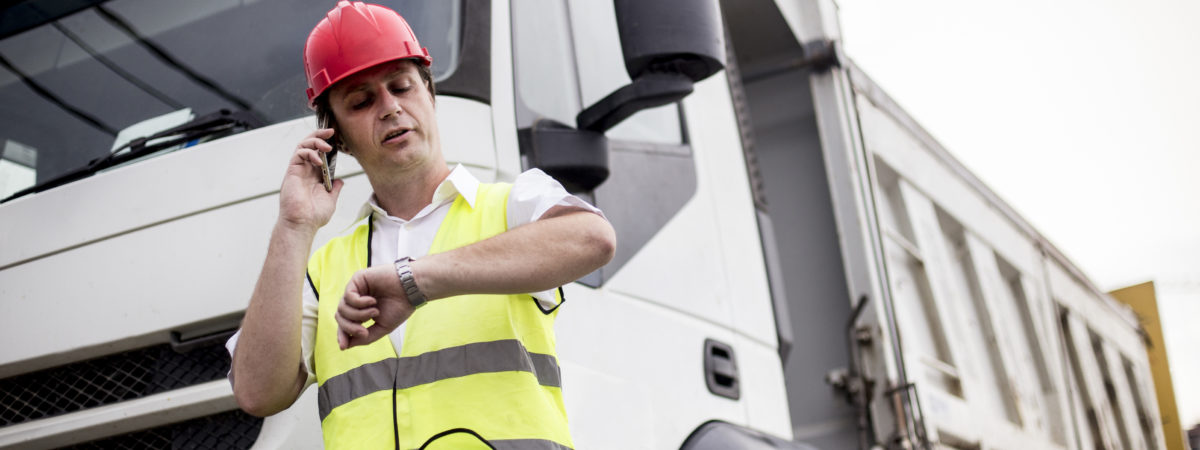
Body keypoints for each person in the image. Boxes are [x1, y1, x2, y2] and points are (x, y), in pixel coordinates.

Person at [225, 2, 615, 449]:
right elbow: (256, 392)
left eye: (401, 87)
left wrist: (414, 281)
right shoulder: (322, 267)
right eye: (362, 101)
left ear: (429, 93)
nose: (390, 108)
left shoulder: (515, 204)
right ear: (338, 141)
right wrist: (294, 225)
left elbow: (594, 238)